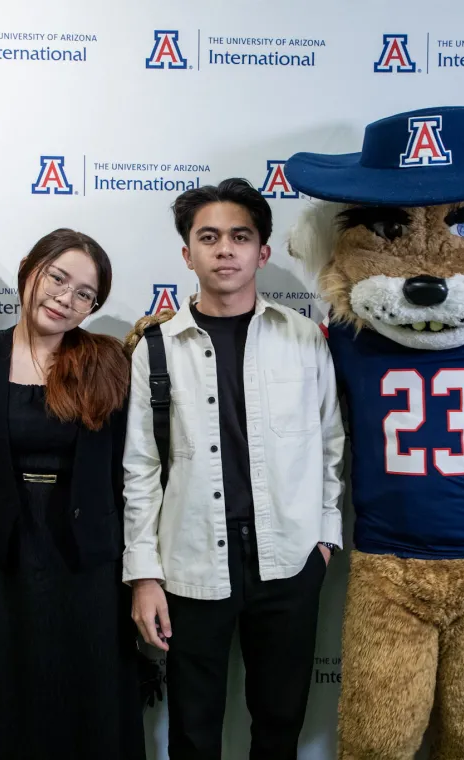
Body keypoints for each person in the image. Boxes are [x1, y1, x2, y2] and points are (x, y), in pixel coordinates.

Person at [123, 178, 346, 759]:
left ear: (262, 252)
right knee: (194, 728)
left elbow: (330, 443)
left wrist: (324, 536)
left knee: (279, 721)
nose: (226, 249)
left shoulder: (302, 338)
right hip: (192, 561)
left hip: (291, 559)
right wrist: (145, 574)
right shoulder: (154, 348)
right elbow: (141, 468)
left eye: (240, 237)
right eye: (210, 237)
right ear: (187, 253)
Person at [0, 228, 144, 759]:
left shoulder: (108, 362)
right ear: (30, 270)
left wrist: (142, 574)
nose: (65, 299)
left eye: (84, 294)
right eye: (58, 278)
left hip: (86, 563)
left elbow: (133, 475)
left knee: (87, 703)